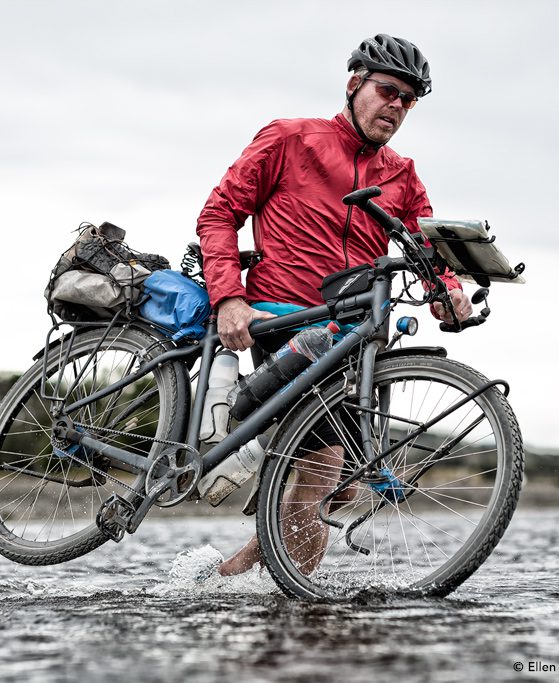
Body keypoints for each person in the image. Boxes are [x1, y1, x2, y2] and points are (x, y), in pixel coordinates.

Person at [195, 34, 472, 577]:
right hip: (282, 316)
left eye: (408, 100)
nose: (396, 106)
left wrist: (448, 289)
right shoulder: (289, 139)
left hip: (356, 333)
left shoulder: (403, 173)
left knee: (348, 486)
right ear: (354, 85)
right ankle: (290, 605)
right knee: (323, 473)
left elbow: (426, 247)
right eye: (387, 91)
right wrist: (229, 297)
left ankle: (234, 574)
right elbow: (218, 214)